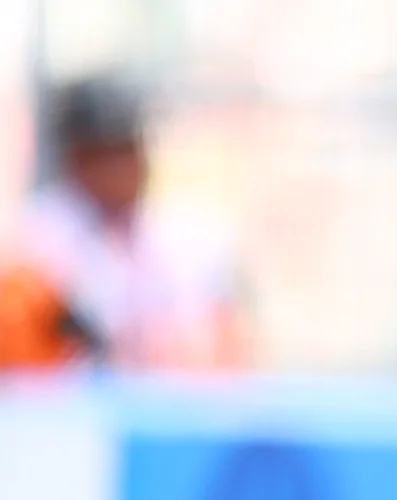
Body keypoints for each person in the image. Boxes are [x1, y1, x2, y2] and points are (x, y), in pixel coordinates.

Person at [0, 77, 240, 371]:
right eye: (105, 154)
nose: (121, 169)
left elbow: (225, 345)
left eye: (128, 150)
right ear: (78, 157)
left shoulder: (187, 235)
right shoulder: (36, 242)